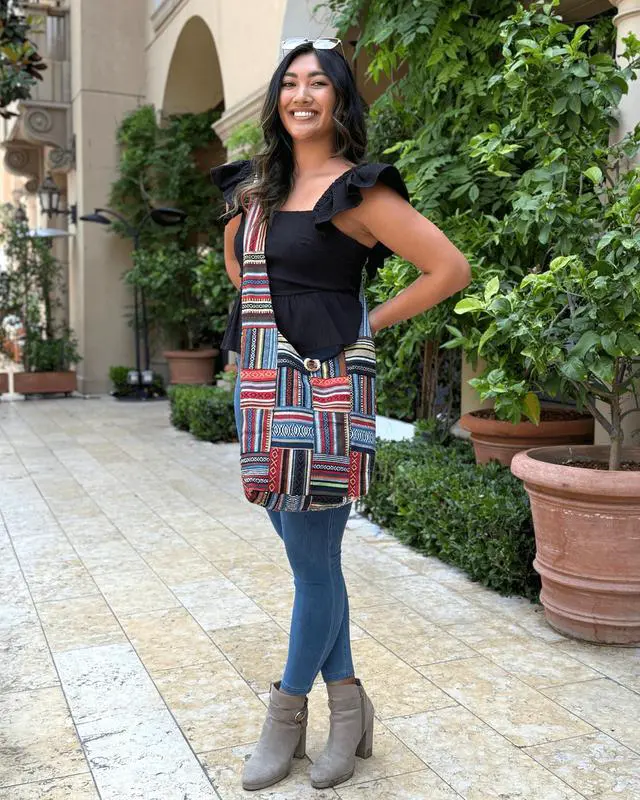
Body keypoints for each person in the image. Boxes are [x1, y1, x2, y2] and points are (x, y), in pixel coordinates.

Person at [211, 38, 470, 793]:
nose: (301, 95)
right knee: (312, 563)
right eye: (290, 82)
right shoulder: (256, 189)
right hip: (263, 389)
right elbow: (240, 269)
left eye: (318, 84)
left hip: (324, 392)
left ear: (339, 100)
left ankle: (286, 715)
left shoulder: (359, 192)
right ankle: (350, 709)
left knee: (312, 564)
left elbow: (449, 268)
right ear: (277, 98)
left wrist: (366, 324)